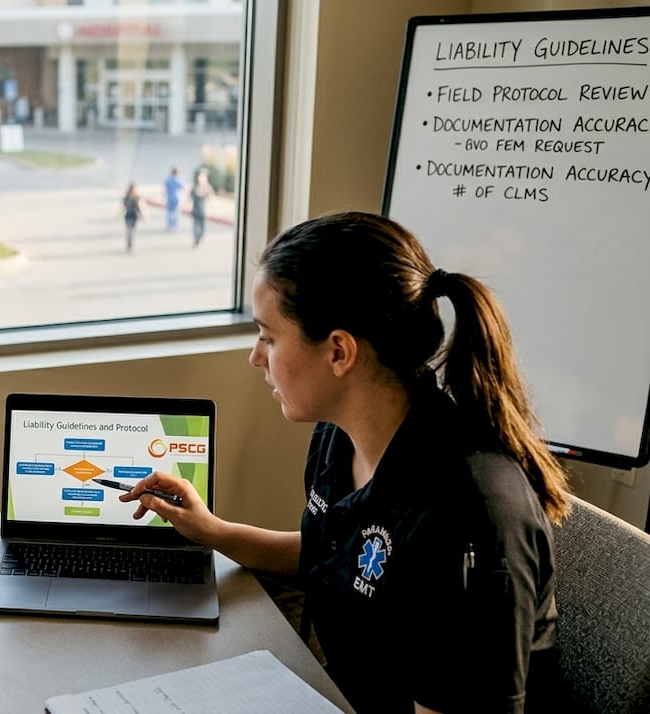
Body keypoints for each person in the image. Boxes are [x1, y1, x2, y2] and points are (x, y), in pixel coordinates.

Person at [120, 211, 570, 713]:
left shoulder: (471, 512)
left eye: (268, 336)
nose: (255, 357)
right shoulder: (338, 437)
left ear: (339, 351)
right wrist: (213, 532)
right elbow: (337, 556)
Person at [189, 170, 211, 248]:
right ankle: (197, 239)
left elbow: (210, 198)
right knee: (196, 226)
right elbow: (189, 198)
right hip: (196, 211)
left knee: (201, 226)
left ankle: (199, 238)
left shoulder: (206, 188)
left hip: (202, 211)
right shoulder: (195, 188)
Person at [121, 182, 142, 253]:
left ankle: (131, 245)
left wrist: (143, 215)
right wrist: (118, 215)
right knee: (129, 232)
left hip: (135, 216)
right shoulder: (126, 198)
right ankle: (129, 245)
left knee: (133, 232)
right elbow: (123, 207)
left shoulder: (137, 197)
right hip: (128, 216)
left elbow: (141, 207)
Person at [162, 166, 184, 231]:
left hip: (169, 198)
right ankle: (174, 225)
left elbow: (164, 189)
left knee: (169, 212)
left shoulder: (168, 179)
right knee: (176, 212)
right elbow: (183, 187)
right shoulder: (178, 179)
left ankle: (170, 225)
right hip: (176, 198)